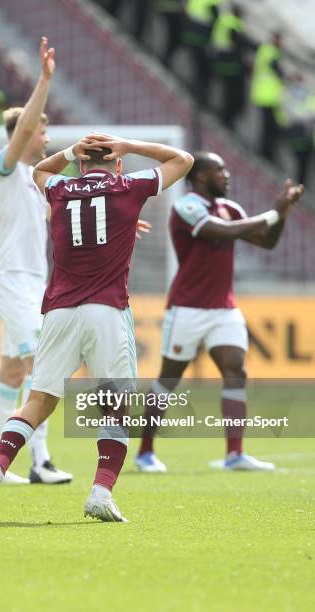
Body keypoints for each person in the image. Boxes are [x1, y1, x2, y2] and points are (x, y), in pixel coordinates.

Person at [0, 133, 194, 523]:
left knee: (38, 401)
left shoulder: (60, 188)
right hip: (106, 310)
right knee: (116, 405)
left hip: (59, 311)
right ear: (117, 163)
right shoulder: (129, 187)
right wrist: (129, 144)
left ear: (82, 166)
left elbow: (40, 169)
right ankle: (101, 492)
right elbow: (183, 159)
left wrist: (71, 153)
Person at [135, 152, 304, 473]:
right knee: (169, 378)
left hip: (224, 309)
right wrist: (273, 212)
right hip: (187, 308)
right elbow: (220, 232)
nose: (227, 175)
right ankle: (145, 452)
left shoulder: (231, 208)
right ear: (200, 176)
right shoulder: (187, 206)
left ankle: (235, 454)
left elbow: (267, 242)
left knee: (235, 370)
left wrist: (283, 213)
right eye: (220, 170)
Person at [0, 37, 72, 486]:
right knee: (43, 366)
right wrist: (45, 81)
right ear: (25, 133)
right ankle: (40, 461)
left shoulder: (37, 184)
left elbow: (65, 220)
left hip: (33, 284)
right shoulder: (2, 170)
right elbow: (23, 128)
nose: (47, 137)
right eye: (42, 130)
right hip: (12, 282)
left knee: (12, 373)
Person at [210, 4, 249, 129]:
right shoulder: (233, 24)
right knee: (233, 96)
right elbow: (238, 43)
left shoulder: (225, 20)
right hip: (231, 64)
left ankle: (226, 119)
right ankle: (227, 120)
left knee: (227, 94)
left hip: (223, 62)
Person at [251, 33, 285, 162]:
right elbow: (275, 68)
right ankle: (266, 155)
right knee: (270, 128)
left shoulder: (265, 50)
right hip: (268, 96)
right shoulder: (272, 52)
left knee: (268, 127)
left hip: (263, 94)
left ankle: (266, 153)